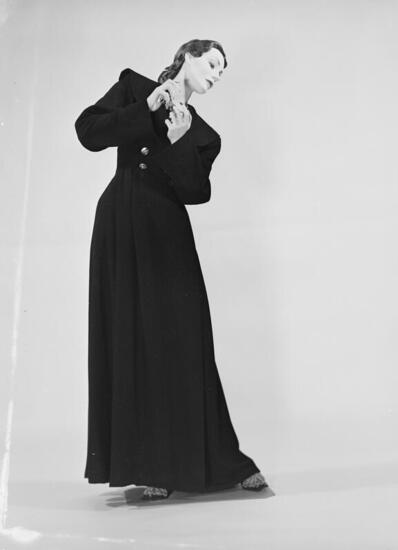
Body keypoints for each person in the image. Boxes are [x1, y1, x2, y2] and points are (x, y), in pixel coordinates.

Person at [75, 38, 268, 501]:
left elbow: (196, 192)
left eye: (222, 70)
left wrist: (179, 144)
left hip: (166, 228)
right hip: (121, 219)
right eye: (212, 63)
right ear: (187, 57)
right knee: (131, 335)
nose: (217, 74)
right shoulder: (134, 87)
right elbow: (88, 132)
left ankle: (222, 460)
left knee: (184, 338)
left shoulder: (205, 135)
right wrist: (144, 110)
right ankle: (152, 467)